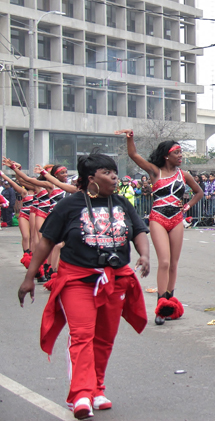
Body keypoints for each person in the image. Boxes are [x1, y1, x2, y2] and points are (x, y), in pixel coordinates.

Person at [18, 151, 150, 419]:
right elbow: (46, 241)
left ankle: (97, 388)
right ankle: (80, 395)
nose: (114, 177)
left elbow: (138, 232)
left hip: (114, 279)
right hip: (77, 279)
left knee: (104, 338)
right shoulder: (69, 205)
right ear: (91, 179)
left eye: (114, 172)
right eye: (107, 172)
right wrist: (29, 276)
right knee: (81, 336)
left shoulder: (122, 202)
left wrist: (145, 255)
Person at [115, 131, 204, 325]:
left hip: (176, 219)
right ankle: (161, 304)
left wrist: (188, 206)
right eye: (177, 152)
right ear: (166, 155)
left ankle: (170, 301)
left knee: (173, 263)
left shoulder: (184, 175)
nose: (180, 156)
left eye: (181, 152)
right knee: (163, 261)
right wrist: (130, 138)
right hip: (158, 219)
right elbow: (134, 155)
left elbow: (199, 192)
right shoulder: (155, 172)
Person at [1, 172, 35, 268]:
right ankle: (26, 256)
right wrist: (4, 173)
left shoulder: (41, 193)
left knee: (33, 237)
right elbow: (13, 182)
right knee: (25, 236)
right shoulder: (24, 192)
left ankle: (32, 256)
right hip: (24, 215)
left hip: (36, 215)